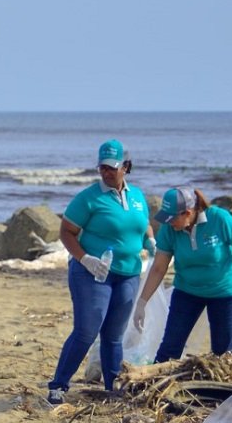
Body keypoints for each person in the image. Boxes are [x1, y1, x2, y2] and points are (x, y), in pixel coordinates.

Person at [45, 140, 153, 404]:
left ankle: (112, 388)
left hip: (128, 274)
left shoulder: (138, 196)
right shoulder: (88, 198)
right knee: (86, 330)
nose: (106, 172)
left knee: (114, 336)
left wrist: (151, 242)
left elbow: (143, 225)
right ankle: (58, 386)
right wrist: (85, 259)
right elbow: (66, 232)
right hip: (92, 274)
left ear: (126, 167)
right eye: (102, 167)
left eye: (112, 167)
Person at [134, 187, 232, 362]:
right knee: (169, 349)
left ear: (188, 213)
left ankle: (221, 390)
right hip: (186, 292)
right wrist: (142, 303)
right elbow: (159, 268)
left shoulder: (219, 218)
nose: (169, 223)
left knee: (224, 354)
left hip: (223, 293)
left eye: (172, 218)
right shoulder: (169, 229)